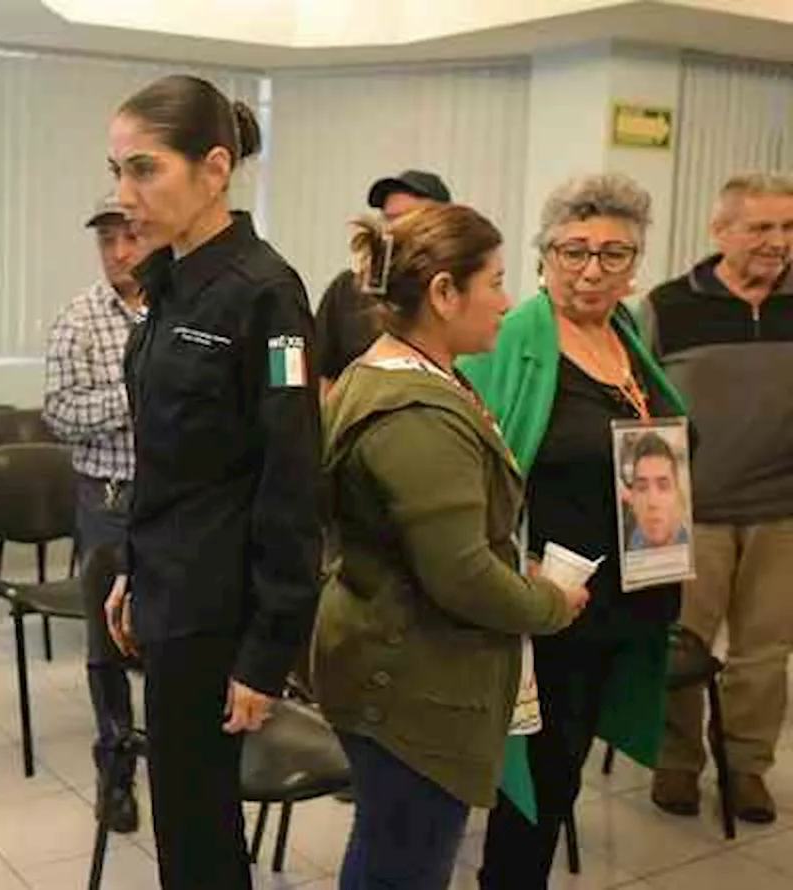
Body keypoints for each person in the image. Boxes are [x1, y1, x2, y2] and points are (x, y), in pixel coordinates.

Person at [313, 204, 587, 890]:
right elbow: (460, 575)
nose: (506, 300)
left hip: (390, 656)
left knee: (388, 846)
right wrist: (550, 603)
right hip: (409, 681)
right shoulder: (414, 413)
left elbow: (440, 538)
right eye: (494, 281)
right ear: (443, 292)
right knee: (404, 862)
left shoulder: (396, 374)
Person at [102, 74, 321, 889]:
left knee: (200, 831)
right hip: (168, 584)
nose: (125, 194)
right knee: (187, 818)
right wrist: (132, 565)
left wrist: (269, 652)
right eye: (118, 170)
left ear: (216, 167)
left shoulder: (266, 295)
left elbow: (292, 478)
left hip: (220, 605)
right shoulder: (170, 280)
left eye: (145, 170)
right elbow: (164, 458)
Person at [461, 173, 689, 888]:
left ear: (635, 264)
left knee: (561, 778)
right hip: (550, 605)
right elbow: (466, 479)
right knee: (535, 780)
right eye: (574, 251)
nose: (592, 270)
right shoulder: (507, 342)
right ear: (544, 255)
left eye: (614, 254)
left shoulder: (627, 336)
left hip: (627, 594)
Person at [645, 172, 793, 823]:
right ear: (720, 230)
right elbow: (638, 402)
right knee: (680, 647)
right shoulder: (671, 304)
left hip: (782, 513)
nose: (778, 242)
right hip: (688, 513)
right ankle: (676, 764)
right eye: (761, 227)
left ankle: (747, 768)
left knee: (764, 654)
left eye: (788, 229)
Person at [42, 193, 147, 833]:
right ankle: (117, 774)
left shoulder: (186, 312)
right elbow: (59, 412)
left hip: (180, 502)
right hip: (109, 499)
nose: (117, 252)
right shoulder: (79, 319)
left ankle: (179, 761)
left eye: (128, 237)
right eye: (105, 240)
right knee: (108, 645)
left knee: (173, 640)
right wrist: (141, 394)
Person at [314, 170, 452, 394]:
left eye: (407, 218)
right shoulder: (348, 290)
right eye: (388, 219)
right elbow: (324, 378)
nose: (393, 230)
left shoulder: (455, 296)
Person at [625, 432, 688, 550]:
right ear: (633, 497)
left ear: (678, 495)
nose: (652, 502)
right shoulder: (632, 543)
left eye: (663, 486)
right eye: (642, 488)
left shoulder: (695, 551)